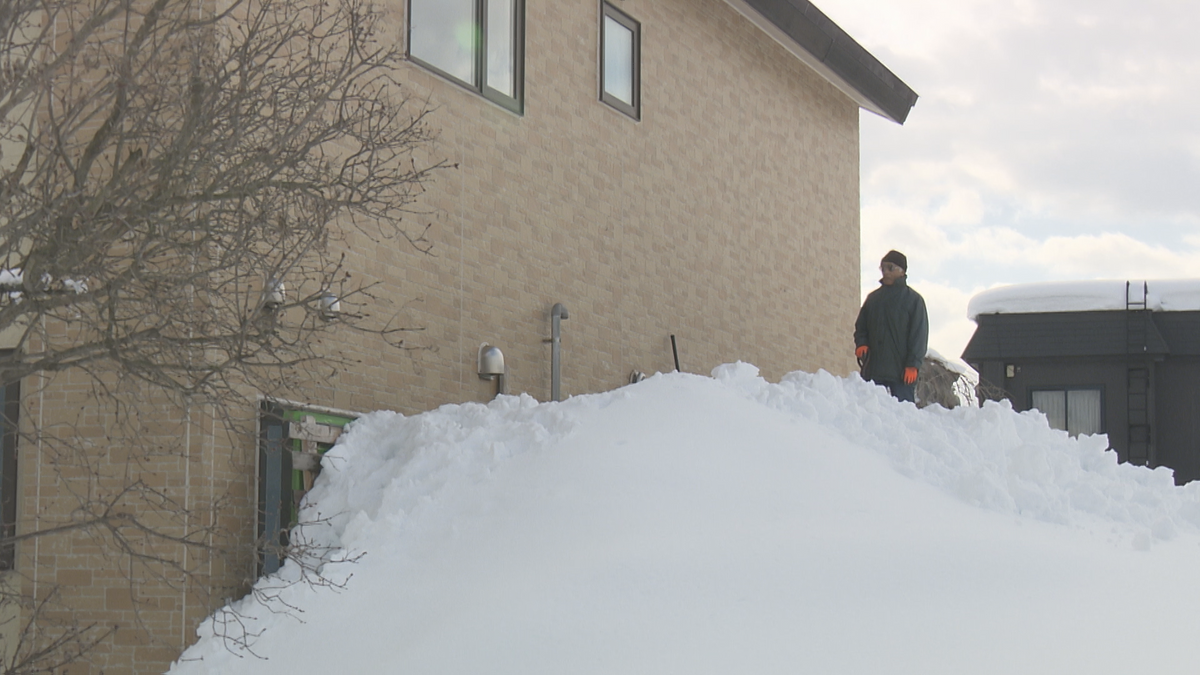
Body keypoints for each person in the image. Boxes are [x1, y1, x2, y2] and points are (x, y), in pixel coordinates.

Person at [854, 250, 929, 403]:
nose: (885, 272)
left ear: (902, 271)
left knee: (904, 416)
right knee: (869, 414)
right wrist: (861, 343)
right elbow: (861, 326)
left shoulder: (913, 300)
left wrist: (913, 365)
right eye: (882, 268)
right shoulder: (873, 299)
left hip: (901, 374)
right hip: (873, 370)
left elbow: (919, 336)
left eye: (890, 268)